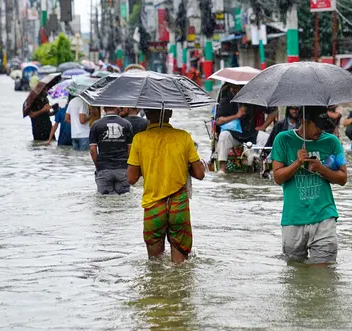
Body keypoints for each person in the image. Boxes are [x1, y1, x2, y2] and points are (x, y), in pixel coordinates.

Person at [270, 106, 348, 265]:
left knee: (324, 276)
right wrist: (298, 163)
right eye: (317, 125)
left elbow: (343, 178)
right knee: (296, 274)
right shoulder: (283, 139)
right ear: (305, 121)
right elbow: (278, 178)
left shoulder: (331, 141)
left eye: (323, 125)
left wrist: (321, 169)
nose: (321, 129)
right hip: (293, 218)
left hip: (324, 216)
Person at [127, 109, 205, 263]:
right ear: (169, 113)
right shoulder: (183, 136)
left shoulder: (139, 139)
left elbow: (131, 178)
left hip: (153, 206)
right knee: (180, 265)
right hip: (179, 205)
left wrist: (148, 165)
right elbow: (200, 174)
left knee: (155, 265)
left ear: (147, 114)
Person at [215, 84, 272, 173]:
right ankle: (222, 168)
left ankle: (264, 165)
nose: (233, 90)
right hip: (233, 134)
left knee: (267, 138)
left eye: (236, 88)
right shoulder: (226, 99)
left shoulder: (253, 99)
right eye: (232, 87)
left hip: (251, 133)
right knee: (223, 135)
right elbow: (218, 121)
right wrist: (236, 115)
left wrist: (263, 126)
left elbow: (273, 112)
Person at [89, 107, 134, 195]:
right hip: (122, 169)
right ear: (118, 109)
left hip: (103, 168)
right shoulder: (127, 124)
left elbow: (92, 150)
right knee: (123, 200)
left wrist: (98, 165)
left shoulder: (96, 125)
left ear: (103, 109)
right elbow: (130, 149)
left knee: (104, 201)